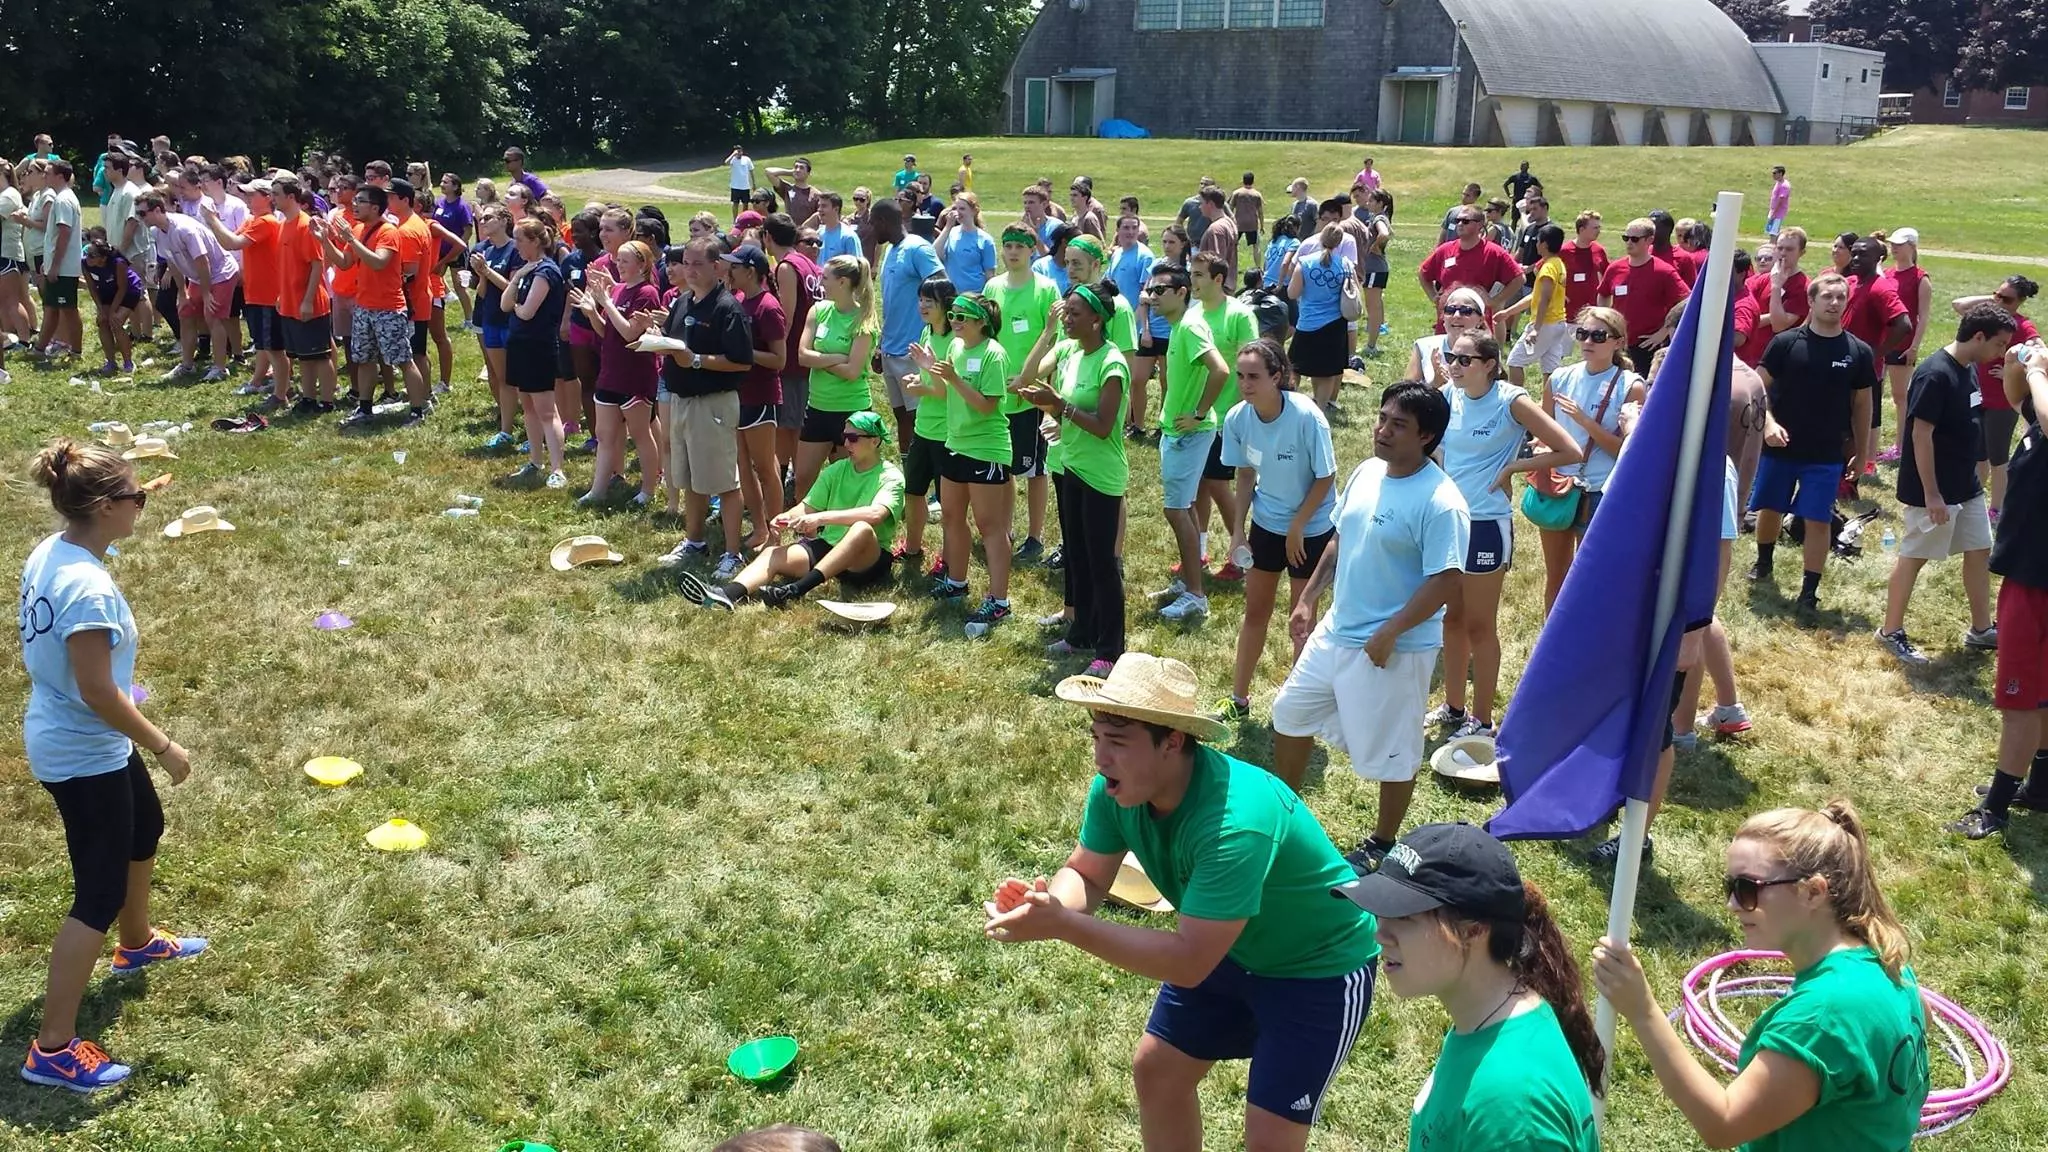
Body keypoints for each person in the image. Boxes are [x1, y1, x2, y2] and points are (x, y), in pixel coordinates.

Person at [984, 651, 1380, 1152]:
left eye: (1119, 743)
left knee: (1270, 1140)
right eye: (1098, 739)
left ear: (1172, 741)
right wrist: (1047, 904)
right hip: (1231, 950)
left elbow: (1190, 961)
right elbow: (1086, 872)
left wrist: (1064, 925)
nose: (1101, 759)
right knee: (1158, 1071)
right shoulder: (1114, 790)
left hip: (1318, 968)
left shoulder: (1236, 822)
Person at [19, 438, 206, 1092]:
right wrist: (162, 744)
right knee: (95, 891)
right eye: (136, 497)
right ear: (103, 507)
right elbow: (99, 691)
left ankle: (137, 941)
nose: (144, 505)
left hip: (75, 734)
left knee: (144, 826)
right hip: (81, 747)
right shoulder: (87, 588)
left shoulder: (56, 549)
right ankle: (53, 1047)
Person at [1593, 802, 1928, 1152]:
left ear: (1813, 892)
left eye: (1747, 888)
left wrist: (1642, 1011)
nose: (1733, 905)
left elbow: (1723, 1125)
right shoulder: (1889, 965)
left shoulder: (1822, 1018)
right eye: (1730, 887)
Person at [1270, 382, 1470, 870]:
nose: (1381, 430)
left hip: (1393, 647)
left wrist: (1392, 631)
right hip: (1337, 631)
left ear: (1426, 436)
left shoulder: (1442, 501)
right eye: (1382, 418)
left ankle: (1381, 843)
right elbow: (1340, 536)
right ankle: (1283, 818)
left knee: (1396, 751)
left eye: (1397, 424)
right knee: (1289, 714)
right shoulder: (1366, 472)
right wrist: (1310, 598)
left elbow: (1446, 582)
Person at [1334, 823, 1601, 1150]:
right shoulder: (1485, 1021)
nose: (1380, 934)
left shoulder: (1511, 1108)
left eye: (1403, 917)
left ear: (1474, 930)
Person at [1432, 332, 1583, 739]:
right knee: (1453, 619)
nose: (1455, 365)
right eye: (1451, 357)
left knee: (1480, 625)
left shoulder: (1510, 400)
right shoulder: (1448, 395)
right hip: (1450, 522)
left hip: (1486, 525)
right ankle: (1453, 706)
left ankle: (1481, 721)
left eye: (1464, 360)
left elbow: (1570, 450)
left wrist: (1514, 468)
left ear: (1489, 364)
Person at [1875, 304, 2014, 666]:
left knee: (1979, 550)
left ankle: (1981, 629)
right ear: (1978, 336)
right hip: (1933, 489)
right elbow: (1921, 436)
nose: (2000, 353)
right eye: (1999, 344)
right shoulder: (1935, 374)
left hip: (1965, 485)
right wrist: (1932, 494)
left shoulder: (1969, 369)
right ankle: (1890, 631)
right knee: (1915, 557)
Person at [1952, 338, 2048, 838]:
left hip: (2037, 581)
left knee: (2021, 701)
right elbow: (2019, 400)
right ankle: (2042, 786)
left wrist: (2037, 370)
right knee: (2043, 695)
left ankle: (1995, 808)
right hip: (2032, 571)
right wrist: (2017, 363)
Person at [1214, 340, 1336, 721]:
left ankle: (1297, 703)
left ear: (1277, 377)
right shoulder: (1237, 418)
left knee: (1300, 618)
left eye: (1254, 377)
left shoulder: (1307, 417)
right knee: (1255, 612)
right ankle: (1238, 699)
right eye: (1240, 376)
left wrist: (1298, 525)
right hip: (1267, 525)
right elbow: (1246, 472)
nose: (1245, 384)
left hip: (1312, 527)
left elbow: (1325, 476)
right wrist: (1237, 531)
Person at [1017, 279, 1132, 679]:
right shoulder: (1072, 352)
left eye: (1074, 314)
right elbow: (1040, 391)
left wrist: (1059, 406)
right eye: (1065, 312)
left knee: (1103, 563)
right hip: (1071, 466)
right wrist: (1046, 404)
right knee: (1078, 558)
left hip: (1101, 474)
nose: (1066, 318)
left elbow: (1102, 426)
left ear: (1097, 321)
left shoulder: (1112, 364)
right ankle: (1081, 633)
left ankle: (1110, 648)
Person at [1751, 274, 1876, 613]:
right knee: (1771, 507)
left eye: (1840, 297)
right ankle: (1763, 562)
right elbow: (1757, 389)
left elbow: (1863, 404)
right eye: (1827, 297)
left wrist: (1862, 452)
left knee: (1818, 518)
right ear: (1812, 301)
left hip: (1825, 451)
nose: (1834, 303)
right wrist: (1769, 426)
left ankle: (1809, 590)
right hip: (1781, 446)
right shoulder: (1786, 343)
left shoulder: (1858, 351)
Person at [703, 410, 902, 610]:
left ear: (875, 441)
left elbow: (876, 515)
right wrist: (786, 517)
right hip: (830, 546)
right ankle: (726, 595)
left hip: (866, 559)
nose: (846, 444)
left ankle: (795, 591)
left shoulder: (890, 476)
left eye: (853, 438)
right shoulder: (837, 470)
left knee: (861, 528)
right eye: (844, 437)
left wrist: (821, 518)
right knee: (773, 553)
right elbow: (807, 507)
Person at [913, 291, 1015, 637]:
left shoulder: (993, 355)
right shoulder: (956, 347)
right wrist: (932, 372)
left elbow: (987, 406)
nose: (954, 321)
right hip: (955, 442)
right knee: (953, 516)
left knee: (990, 527)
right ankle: (957, 582)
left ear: (981, 322)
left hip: (986, 449)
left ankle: (999, 602)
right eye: (953, 315)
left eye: (962, 317)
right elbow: (948, 390)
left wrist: (953, 378)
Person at [654, 237, 752, 579]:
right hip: (681, 401)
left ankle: (733, 553)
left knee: (723, 481)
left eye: (698, 264)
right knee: (691, 478)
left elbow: (741, 362)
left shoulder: (727, 308)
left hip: (713, 404)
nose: (690, 270)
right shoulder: (682, 302)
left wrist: (695, 361)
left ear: (716, 266)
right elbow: (675, 342)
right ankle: (694, 541)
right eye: (686, 263)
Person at [1537, 308, 1643, 614]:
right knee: (1555, 576)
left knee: (1590, 579)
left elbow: (1625, 451)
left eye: (1598, 335)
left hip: (1599, 492)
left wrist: (1584, 421)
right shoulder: (1559, 378)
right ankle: (1552, 649)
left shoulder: (1630, 385)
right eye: (1582, 333)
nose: (1587, 341)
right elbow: (1545, 430)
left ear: (1618, 342)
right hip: (1559, 487)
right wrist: (1540, 446)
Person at [1146, 263, 1230, 623]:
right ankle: (1187, 582)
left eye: (1159, 291)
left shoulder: (1192, 326)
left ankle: (1196, 595)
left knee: (1176, 510)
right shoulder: (1180, 325)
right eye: (1150, 291)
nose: (1152, 297)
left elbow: (1221, 370)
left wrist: (1198, 412)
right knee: (1186, 508)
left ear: (1181, 293)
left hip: (1189, 434)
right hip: (1178, 432)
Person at [573, 239, 665, 508]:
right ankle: (598, 489)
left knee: (639, 434)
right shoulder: (620, 290)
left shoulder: (648, 292)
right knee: (605, 435)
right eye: (618, 260)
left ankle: (648, 490)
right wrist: (593, 313)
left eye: (625, 261)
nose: (618, 265)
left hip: (634, 375)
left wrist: (605, 301)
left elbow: (628, 333)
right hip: (610, 371)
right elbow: (607, 332)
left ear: (642, 265)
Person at [991, 224, 1064, 563]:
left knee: (1034, 469)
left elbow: (1057, 344)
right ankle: (1003, 530)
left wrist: (1030, 380)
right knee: (1003, 466)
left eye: (1020, 245)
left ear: (1032, 250)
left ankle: (1035, 536)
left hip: (1031, 394)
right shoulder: (992, 287)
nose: (1013, 251)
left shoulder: (1047, 289)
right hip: (998, 392)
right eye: (1008, 245)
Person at [793, 253, 879, 501]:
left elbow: (853, 373)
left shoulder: (864, 320)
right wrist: (837, 358)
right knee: (803, 477)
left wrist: (819, 358)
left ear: (842, 282)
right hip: (818, 407)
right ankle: (805, 530)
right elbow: (802, 356)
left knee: (845, 482)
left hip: (851, 411)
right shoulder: (818, 310)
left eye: (825, 278)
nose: (821, 282)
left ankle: (837, 533)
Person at [1952, 276, 2038, 521]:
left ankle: (1997, 508)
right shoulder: (1989, 319)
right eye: (1997, 295)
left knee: (1998, 456)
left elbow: (2038, 352)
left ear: (2020, 302)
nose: (1999, 301)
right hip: (1979, 395)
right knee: (1979, 454)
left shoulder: (2022, 326)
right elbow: (1959, 305)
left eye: (2007, 299)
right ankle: (1973, 500)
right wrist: (1992, 300)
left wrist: (2011, 372)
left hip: (2002, 401)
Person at [140, 190, 239, 383]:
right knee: (185, 314)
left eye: (143, 213)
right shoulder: (157, 231)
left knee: (213, 317)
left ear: (157, 210)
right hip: (197, 277)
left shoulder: (184, 229)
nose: (139, 217)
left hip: (220, 274)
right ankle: (187, 365)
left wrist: (207, 293)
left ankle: (220, 368)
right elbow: (172, 262)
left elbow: (203, 262)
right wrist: (183, 294)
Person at [871, 199, 941, 454]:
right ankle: (910, 474)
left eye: (872, 222)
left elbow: (941, 286)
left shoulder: (918, 249)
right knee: (901, 416)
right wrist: (881, 345)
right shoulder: (891, 250)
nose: (870, 228)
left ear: (883, 222)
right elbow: (893, 303)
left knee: (918, 418)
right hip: (891, 349)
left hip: (912, 350)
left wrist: (930, 335)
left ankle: (929, 480)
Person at [272, 175, 340, 414]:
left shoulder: (305, 225)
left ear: (291, 197)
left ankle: (328, 401)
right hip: (290, 301)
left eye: (277, 194)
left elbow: (316, 264)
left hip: (311, 302)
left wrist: (308, 300)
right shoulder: (283, 224)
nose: (273, 199)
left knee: (320, 355)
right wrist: (282, 295)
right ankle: (309, 398)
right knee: (303, 356)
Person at [1843, 239, 1912, 475]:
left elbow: (1903, 324)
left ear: (1877, 259)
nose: (1855, 259)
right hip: (1842, 363)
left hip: (1862, 371)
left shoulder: (1880, 288)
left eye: (1862, 255)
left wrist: (1877, 352)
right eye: (1853, 254)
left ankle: (1849, 481)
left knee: (1853, 427)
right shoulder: (1852, 283)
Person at [1598, 218, 1689, 374]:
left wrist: (1663, 332)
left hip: (1647, 346)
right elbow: (1603, 294)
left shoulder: (1664, 272)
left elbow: (1686, 301)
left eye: (1635, 239)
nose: (1629, 243)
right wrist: (1604, 322)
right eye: (1626, 238)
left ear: (1649, 240)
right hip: (1617, 342)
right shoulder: (1615, 268)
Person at [466, 206, 521, 446]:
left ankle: (533, 431)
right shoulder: (483, 250)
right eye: (481, 218)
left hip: (511, 320)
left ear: (504, 221)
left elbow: (514, 288)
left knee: (521, 377)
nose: (483, 221)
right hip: (490, 319)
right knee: (503, 378)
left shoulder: (515, 250)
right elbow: (481, 292)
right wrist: (481, 275)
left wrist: (486, 270)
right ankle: (506, 430)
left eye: (488, 218)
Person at [1288, 223, 1355, 410]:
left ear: (1320, 238)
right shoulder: (1346, 264)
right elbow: (1353, 292)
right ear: (1339, 242)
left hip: (1308, 323)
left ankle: (1290, 404)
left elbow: (1292, 293)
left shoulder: (1305, 262)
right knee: (1326, 371)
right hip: (1335, 325)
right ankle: (1321, 408)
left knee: (1294, 367)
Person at [1419, 205, 1519, 323]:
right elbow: (1423, 273)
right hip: (1448, 322)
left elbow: (1518, 278)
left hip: (1477, 325)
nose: (1460, 224)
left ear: (1480, 225)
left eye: (1465, 221)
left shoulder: (1494, 252)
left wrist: (1495, 301)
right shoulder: (1445, 250)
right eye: (1458, 220)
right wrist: (1434, 298)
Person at [1501, 223, 1570, 388]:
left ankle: (1516, 401)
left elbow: (1544, 299)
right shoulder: (1558, 264)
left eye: (1538, 241)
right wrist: (1508, 312)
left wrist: (1536, 329)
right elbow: (1535, 296)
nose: (1536, 244)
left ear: (1544, 244)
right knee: (1550, 368)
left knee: (1515, 361)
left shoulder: (1547, 270)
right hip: (1558, 323)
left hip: (1545, 324)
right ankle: (1548, 405)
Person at [34, 160, 84, 361]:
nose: (44, 176)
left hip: (63, 267)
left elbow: (64, 232)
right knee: (51, 307)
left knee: (68, 309)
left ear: (60, 176)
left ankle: (76, 351)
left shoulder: (63, 200)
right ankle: (40, 349)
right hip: (58, 265)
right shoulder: (62, 197)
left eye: (48, 173)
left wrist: (55, 266)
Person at [1743, 227, 1812, 368]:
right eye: (1780, 248)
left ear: (1802, 253)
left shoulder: (1804, 286)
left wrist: (1776, 286)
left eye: (1789, 249)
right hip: (1749, 356)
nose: (1783, 253)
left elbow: (1779, 325)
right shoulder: (1761, 280)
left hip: (1777, 362)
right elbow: (1741, 314)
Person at [78, 229, 142, 377]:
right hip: (107, 290)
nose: (88, 257)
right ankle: (111, 362)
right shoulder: (85, 264)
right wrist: (101, 309)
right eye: (87, 253)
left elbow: (122, 288)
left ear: (103, 258)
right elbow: (92, 288)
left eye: (92, 256)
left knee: (116, 322)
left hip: (128, 290)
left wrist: (113, 311)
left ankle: (128, 363)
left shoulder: (118, 263)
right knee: (102, 321)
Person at [1403, 286, 1491, 389]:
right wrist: (1434, 384)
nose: (1456, 315)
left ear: (1481, 320)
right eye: (1450, 310)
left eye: (1466, 311)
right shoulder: (1424, 346)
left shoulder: (1487, 351)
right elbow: (1404, 394)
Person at [934, 190, 997, 294]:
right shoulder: (951, 233)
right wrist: (948, 227)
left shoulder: (985, 239)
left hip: (974, 295)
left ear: (974, 211)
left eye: (962, 209)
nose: (957, 212)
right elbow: (935, 255)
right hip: (951, 294)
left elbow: (989, 275)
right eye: (955, 208)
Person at [1228, 172, 1264, 255]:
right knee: (1256, 245)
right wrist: (1262, 226)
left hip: (1238, 223)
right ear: (1253, 181)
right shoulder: (1257, 194)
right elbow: (1260, 212)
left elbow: (1230, 208)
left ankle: (1232, 265)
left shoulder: (1236, 193)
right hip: (1252, 224)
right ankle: (1258, 266)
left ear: (1243, 180)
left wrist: (1230, 222)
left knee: (1233, 245)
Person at [1766, 165, 1791, 238]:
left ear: (1780, 173)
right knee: (1771, 232)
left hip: (1778, 213)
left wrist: (1774, 213)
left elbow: (1780, 200)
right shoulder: (1778, 183)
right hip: (1774, 211)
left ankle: (1773, 247)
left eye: (1774, 173)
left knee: (1773, 233)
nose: (1773, 175)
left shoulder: (1784, 186)